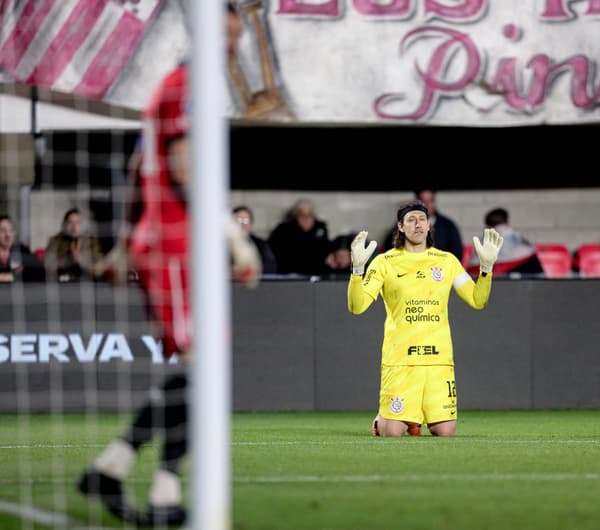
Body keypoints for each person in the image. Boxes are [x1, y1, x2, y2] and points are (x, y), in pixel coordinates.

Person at [77, 5, 259, 528]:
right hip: (178, 245)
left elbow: (141, 167)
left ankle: (153, 487)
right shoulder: (185, 86)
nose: (230, 40)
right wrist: (235, 239)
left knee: (199, 371)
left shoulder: (178, 87)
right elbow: (184, 169)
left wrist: (122, 247)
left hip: (173, 243)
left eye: (234, 31)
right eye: (222, 31)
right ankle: (122, 471)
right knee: (201, 369)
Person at [347, 200, 503, 438]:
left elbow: (477, 300)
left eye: (422, 219)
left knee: (445, 431)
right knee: (391, 433)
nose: (418, 224)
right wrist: (357, 271)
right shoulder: (384, 262)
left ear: (429, 225)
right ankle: (384, 419)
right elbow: (357, 307)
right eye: (411, 220)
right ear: (400, 227)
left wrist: (486, 268)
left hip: (438, 360)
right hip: (401, 360)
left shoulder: (446, 261)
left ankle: (415, 416)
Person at [382, 189, 464, 262]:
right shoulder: (404, 224)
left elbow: (456, 255)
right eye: (424, 201)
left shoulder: (448, 226)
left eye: (430, 201)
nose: (427, 205)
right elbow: (390, 248)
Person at [468, 207, 543, 276]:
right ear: (506, 221)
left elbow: (474, 268)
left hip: (500, 281)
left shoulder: (485, 239)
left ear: (488, 225)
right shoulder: (518, 237)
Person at [267, 198, 330, 276]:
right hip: (289, 275)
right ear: (296, 216)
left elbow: (325, 252)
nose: (306, 219)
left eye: (309, 215)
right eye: (302, 215)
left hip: (316, 275)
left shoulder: (320, 229)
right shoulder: (283, 230)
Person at [44, 207, 103, 282]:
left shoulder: (92, 241)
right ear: (64, 224)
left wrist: (81, 260)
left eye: (78, 222)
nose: (74, 227)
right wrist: (69, 260)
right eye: (70, 222)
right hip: (62, 282)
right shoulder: (55, 241)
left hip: (87, 282)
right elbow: (48, 265)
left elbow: (99, 266)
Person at [232, 205, 277, 274]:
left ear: (251, 224)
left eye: (245, 221)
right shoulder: (222, 246)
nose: (242, 225)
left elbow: (270, 266)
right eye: (237, 221)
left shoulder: (260, 245)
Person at [0, 214, 45, 282]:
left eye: (11, 230)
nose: (8, 235)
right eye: (3, 230)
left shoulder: (22, 250)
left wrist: (13, 276)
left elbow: (40, 273)